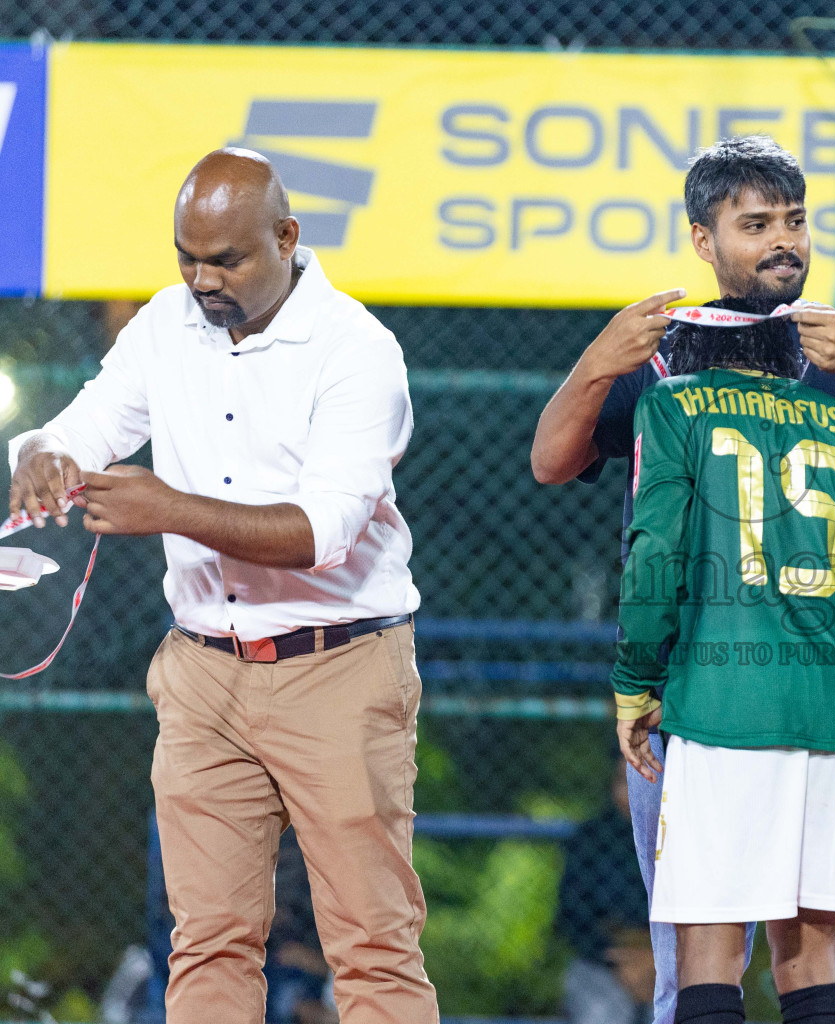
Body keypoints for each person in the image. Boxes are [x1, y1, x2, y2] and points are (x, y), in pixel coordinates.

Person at [5, 149, 435, 1024]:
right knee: (204, 942)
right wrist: (43, 455)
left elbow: (321, 533)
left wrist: (169, 507)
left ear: (286, 237)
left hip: (338, 667)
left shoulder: (357, 351)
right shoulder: (165, 324)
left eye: (226, 260)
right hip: (201, 670)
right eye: (185, 256)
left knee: (372, 948)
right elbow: (81, 426)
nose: (201, 279)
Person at [531, 134, 835, 1024]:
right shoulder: (659, 351)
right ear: (702, 238)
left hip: (732, 703)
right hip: (773, 699)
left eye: (794, 220)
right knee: (768, 965)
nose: (782, 240)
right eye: (755, 223)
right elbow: (552, 459)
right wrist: (600, 358)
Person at [611, 301, 835, 1024]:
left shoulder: (675, 404)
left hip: (718, 712)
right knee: (811, 963)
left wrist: (634, 683)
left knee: (709, 961)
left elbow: (654, 553)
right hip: (826, 717)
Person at [557, 760, 656, 1024]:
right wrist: (621, 962)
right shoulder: (590, 839)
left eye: (646, 780)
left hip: (671, 962)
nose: (633, 792)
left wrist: (654, 961)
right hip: (604, 963)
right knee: (600, 1012)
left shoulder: (685, 836)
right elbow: (572, 916)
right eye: (624, 782)